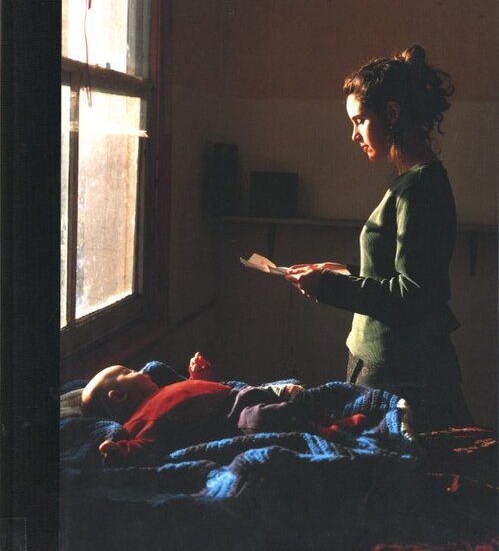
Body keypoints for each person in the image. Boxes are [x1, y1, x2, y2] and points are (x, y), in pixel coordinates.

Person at [286, 44, 473, 432]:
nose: (354, 135)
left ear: (391, 113)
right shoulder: (409, 182)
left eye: (359, 120)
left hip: (399, 371)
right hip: (380, 362)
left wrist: (328, 287)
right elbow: (396, 270)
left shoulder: (421, 186)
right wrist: (343, 271)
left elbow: (414, 294)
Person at [81, 353, 365, 465]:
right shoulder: (140, 421)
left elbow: (194, 393)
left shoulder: (163, 389)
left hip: (236, 395)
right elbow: (145, 446)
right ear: (118, 396)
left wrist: (198, 378)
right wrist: (120, 451)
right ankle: (326, 431)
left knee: (279, 397)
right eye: (129, 372)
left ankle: (323, 415)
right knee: (268, 417)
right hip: (233, 419)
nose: (142, 370)